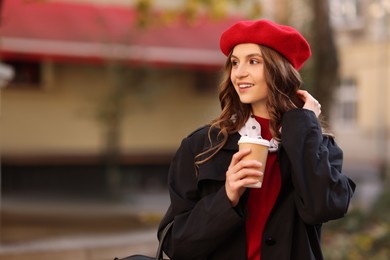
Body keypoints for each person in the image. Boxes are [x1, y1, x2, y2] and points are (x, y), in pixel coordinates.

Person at [157, 19, 356, 260]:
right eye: (234, 63)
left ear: (280, 70)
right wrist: (227, 196)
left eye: (253, 61)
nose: (239, 73)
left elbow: (323, 207)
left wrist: (304, 125)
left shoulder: (320, 147)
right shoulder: (201, 146)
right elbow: (175, 245)